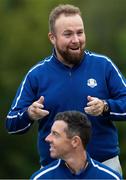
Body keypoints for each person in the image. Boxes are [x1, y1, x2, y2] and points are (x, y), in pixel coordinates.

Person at [6, 4, 126, 175]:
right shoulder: (37, 75)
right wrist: (29, 114)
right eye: (68, 34)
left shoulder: (104, 65)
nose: (76, 40)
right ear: (52, 37)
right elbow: (11, 123)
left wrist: (106, 107)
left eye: (80, 32)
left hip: (104, 166)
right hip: (54, 171)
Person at [30, 111, 122, 179]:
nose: (47, 139)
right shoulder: (41, 178)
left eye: (55, 134)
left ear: (75, 141)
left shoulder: (110, 178)